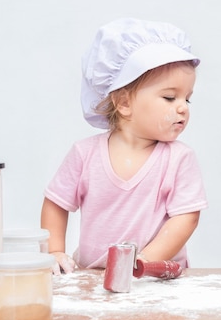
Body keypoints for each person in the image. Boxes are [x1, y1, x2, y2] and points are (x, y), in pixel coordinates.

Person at [41, 17, 208, 274]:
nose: (183, 107)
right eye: (169, 97)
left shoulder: (179, 158)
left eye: (188, 98)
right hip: (92, 277)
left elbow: (186, 218)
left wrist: (141, 263)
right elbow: (56, 203)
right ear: (124, 103)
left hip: (155, 278)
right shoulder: (84, 153)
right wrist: (54, 251)